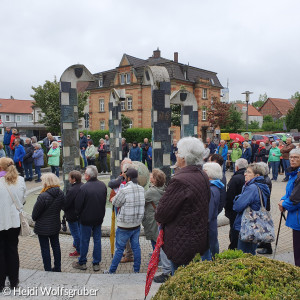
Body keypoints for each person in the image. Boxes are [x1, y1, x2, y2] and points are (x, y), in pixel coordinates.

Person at [155, 137, 210, 275]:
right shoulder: (202, 175)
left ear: (185, 158)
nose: (176, 155)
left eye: (178, 152)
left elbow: (162, 213)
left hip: (182, 241)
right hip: (197, 238)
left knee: (179, 280)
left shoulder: (180, 180)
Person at [105, 168, 145, 274]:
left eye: (126, 176)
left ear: (129, 178)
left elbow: (116, 203)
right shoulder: (141, 189)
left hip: (124, 225)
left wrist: (114, 199)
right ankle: (136, 270)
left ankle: (111, 271)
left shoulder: (124, 190)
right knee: (136, 247)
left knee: (119, 249)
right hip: (136, 224)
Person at [73, 166, 107, 271]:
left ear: (87, 176)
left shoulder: (83, 188)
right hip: (98, 218)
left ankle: (82, 262)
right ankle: (96, 263)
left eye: (85, 174)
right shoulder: (103, 185)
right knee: (97, 240)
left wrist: (78, 215)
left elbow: (78, 206)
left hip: (86, 219)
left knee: (84, 241)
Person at [0, 158, 26, 291]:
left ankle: (1, 283)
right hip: (14, 222)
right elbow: (23, 199)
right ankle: (14, 281)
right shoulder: (20, 180)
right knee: (12, 250)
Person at [233, 164, 270, 255]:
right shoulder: (260, 185)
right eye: (246, 171)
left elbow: (237, 206)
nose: (245, 174)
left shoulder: (252, 188)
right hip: (255, 226)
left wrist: (237, 198)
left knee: (243, 255)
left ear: (256, 176)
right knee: (250, 253)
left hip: (248, 227)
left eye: (249, 172)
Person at [32, 173, 64, 272]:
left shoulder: (43, 196)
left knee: (45, 248)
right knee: (56, 246)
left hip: (42, 227)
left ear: (46, 182)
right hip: (55, 224)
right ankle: (58, 268)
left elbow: (34, 215)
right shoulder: (61, 193)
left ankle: (48, 269)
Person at [278, 148, 300, 267]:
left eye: (296, 157)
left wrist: (284, 204)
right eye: (291, 157)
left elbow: (296, 200)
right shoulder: (294, 173)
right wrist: (282, 199)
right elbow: (290, 193)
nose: (292, 159)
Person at [202, 162, 224, 260]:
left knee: (207, 254)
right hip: (211, 226)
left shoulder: (211, 189)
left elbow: (208, 214)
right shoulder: (216, 187)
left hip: (207, 229)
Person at [225, 158, 248, 250]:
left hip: (235, 210)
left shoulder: (235, 178)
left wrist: (227, 209)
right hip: (244, 209)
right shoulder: (247, 177)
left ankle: (234, 248)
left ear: (237, 167)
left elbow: (230, 196)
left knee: (234, 230)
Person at [142, 169, 166, 250]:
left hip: (153, 219)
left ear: (154, 180)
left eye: (152, 175)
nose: (150, 175)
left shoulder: (151, 192)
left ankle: (157, 259)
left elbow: (142, 199)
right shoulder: (164, 188)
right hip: (161, 218)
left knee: (154, 240)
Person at [64, 171, 83, 257]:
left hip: (72, 215)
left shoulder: (71, 190)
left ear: (74, 179)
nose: (68, 179)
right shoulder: (83, 186)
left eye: (69, 177)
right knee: (79, 231)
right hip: (81, 214)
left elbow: (66, 204)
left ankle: (79, 250)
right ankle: (76, 244)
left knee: (75, 233)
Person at [256, 162, 273, 255]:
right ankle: (262, 243)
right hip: (265, 206)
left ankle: (268, 247)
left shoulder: (265, 180)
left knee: (264, 227)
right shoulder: (264, 178)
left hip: (264, 207)